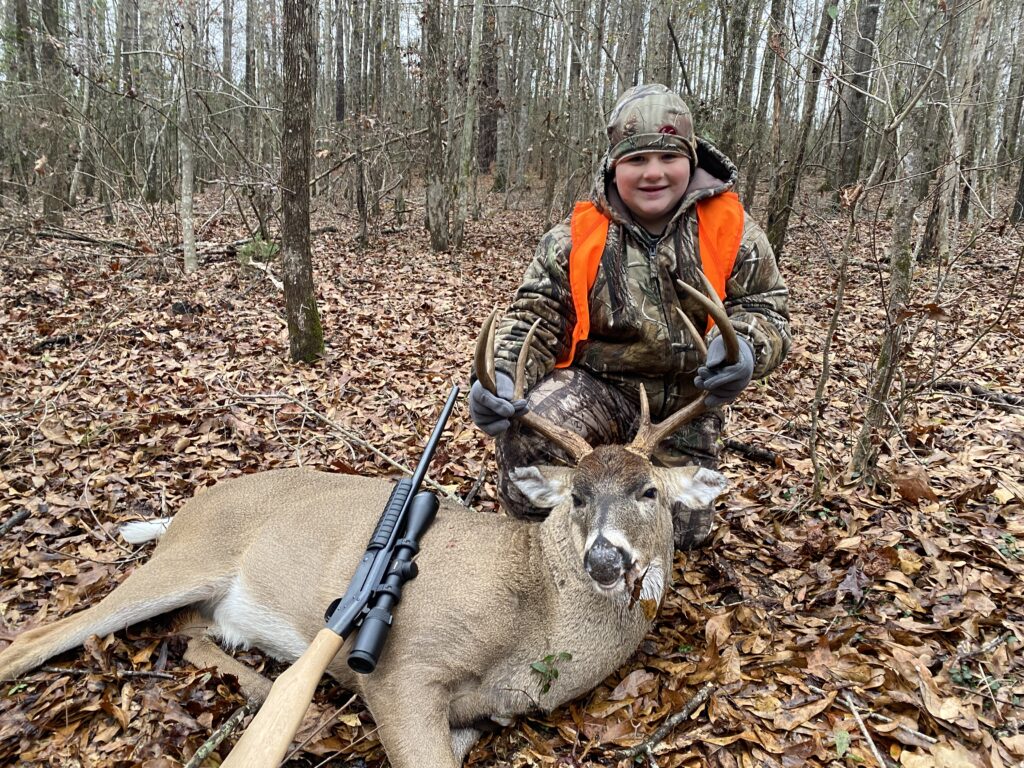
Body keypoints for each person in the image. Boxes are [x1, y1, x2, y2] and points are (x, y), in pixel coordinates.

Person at [469, 83, 791, 549]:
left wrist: (743, 350)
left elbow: (766, 310)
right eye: (636, 160)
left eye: (668, 158)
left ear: (692, 158)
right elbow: (533, 319)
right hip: (599, 391)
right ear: (614, 166)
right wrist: (500, 377)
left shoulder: (734, 230)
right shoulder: (575, 239)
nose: (653, 173)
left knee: (682, 535)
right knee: (528, 431)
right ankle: (543, 563)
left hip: (686, 404)